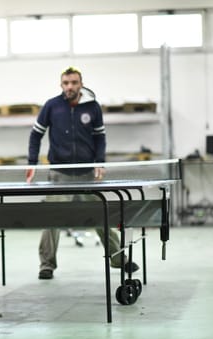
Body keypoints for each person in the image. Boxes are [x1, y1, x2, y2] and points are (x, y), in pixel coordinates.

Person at [26, 66, 140, 280]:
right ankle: (46, 265)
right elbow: (36, 135)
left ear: (81, 84)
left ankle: (118, 259)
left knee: (100, 216)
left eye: (74, 83)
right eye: (66, 83)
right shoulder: (52, 106)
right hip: (59, 173)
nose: (70, 87)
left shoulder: (93, 107)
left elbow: (100, 138)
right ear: (61, 85)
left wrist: (100, 162)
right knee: (52, 219)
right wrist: (32, 163)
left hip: (88, 173)